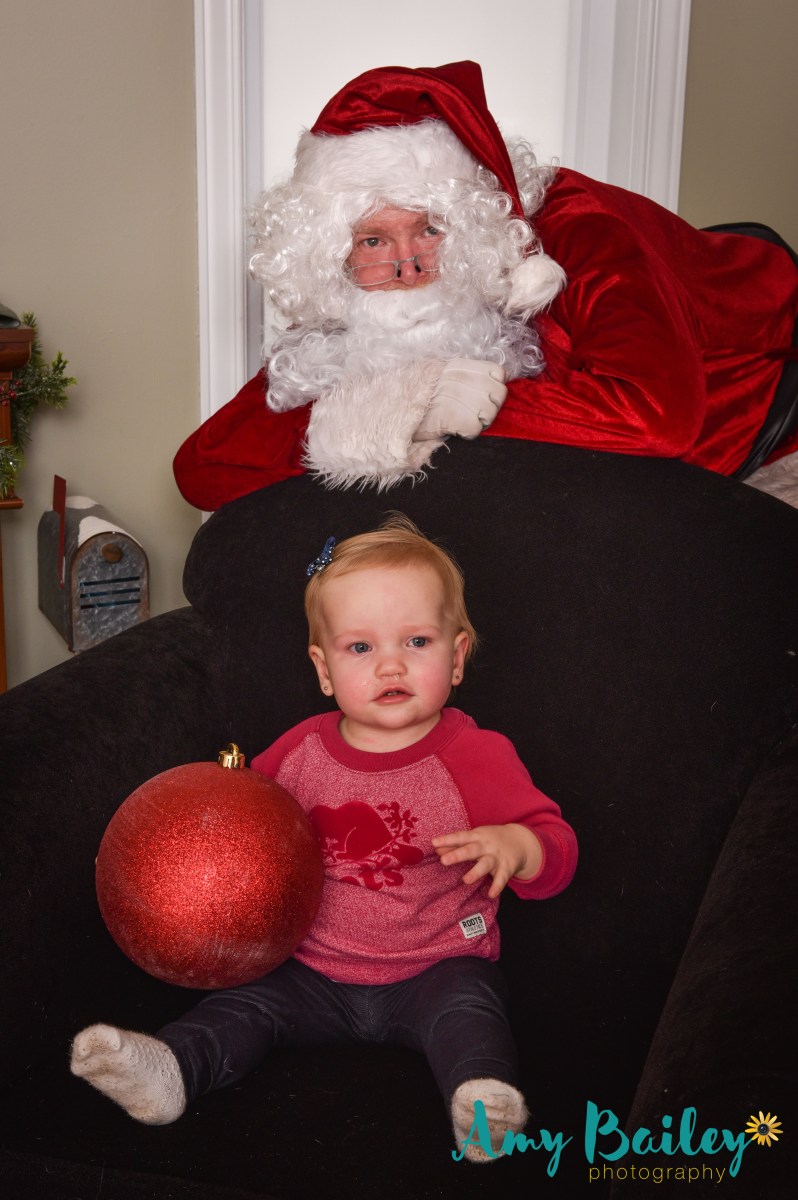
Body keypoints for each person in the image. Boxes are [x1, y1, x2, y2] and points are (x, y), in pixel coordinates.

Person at [70, 515, 578, 1163]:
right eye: (360, 647)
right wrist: (152, 856)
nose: (390, 663)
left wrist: (519, 846)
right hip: (309, 973)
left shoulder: (476, 756)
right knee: (243, 1007)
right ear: (324, 668)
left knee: (470, 1012)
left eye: (417, 641)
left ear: (456, 657)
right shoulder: (299, 752)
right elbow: (238, 822)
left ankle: (482, 1105)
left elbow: (556, 847)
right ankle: (172, 1068)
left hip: (435, 966)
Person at [173, 60, 798, 511]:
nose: (406, 266)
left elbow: (655, 418)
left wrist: (434, 408)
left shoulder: (589, 232)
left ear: (474, 219)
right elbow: (204, 467)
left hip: (759, 438)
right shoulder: (357, 294)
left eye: (430, 229)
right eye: (373, 240)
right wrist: (376, 412)